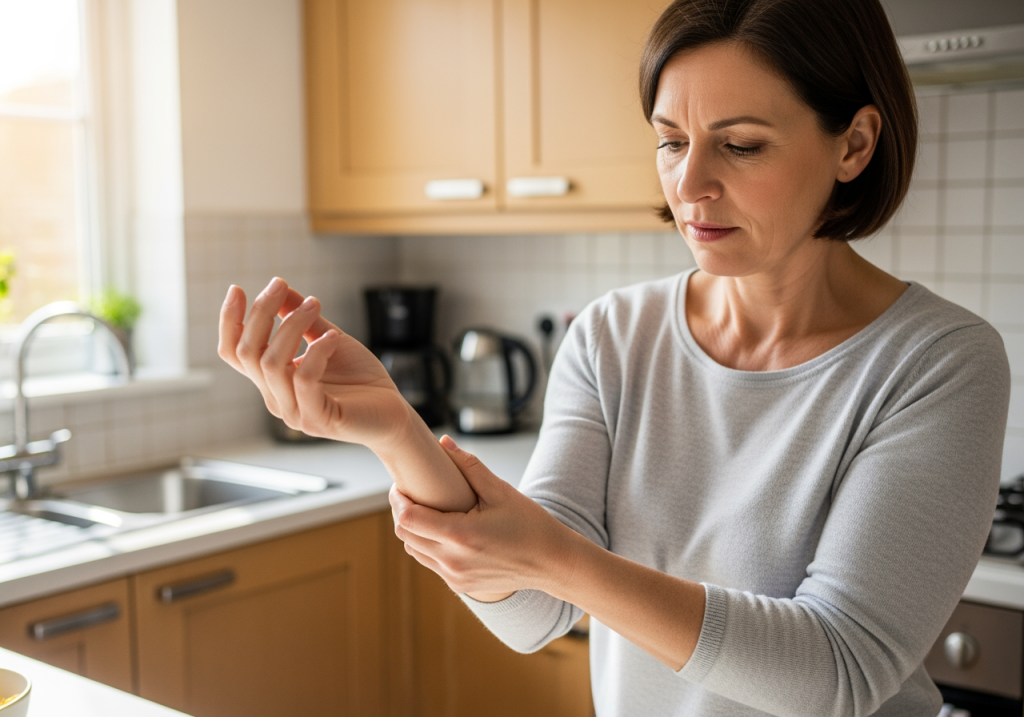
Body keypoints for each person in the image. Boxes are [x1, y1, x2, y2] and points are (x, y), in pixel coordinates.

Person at [217, 0, 1012, 714]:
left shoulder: (938, 361)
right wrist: (394, 429)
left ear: (855, 144)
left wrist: (560, 559)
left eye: (739, 145)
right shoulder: (612, 338)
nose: (689, 184)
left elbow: (839, 672)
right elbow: (532, 611)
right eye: (671, 142)